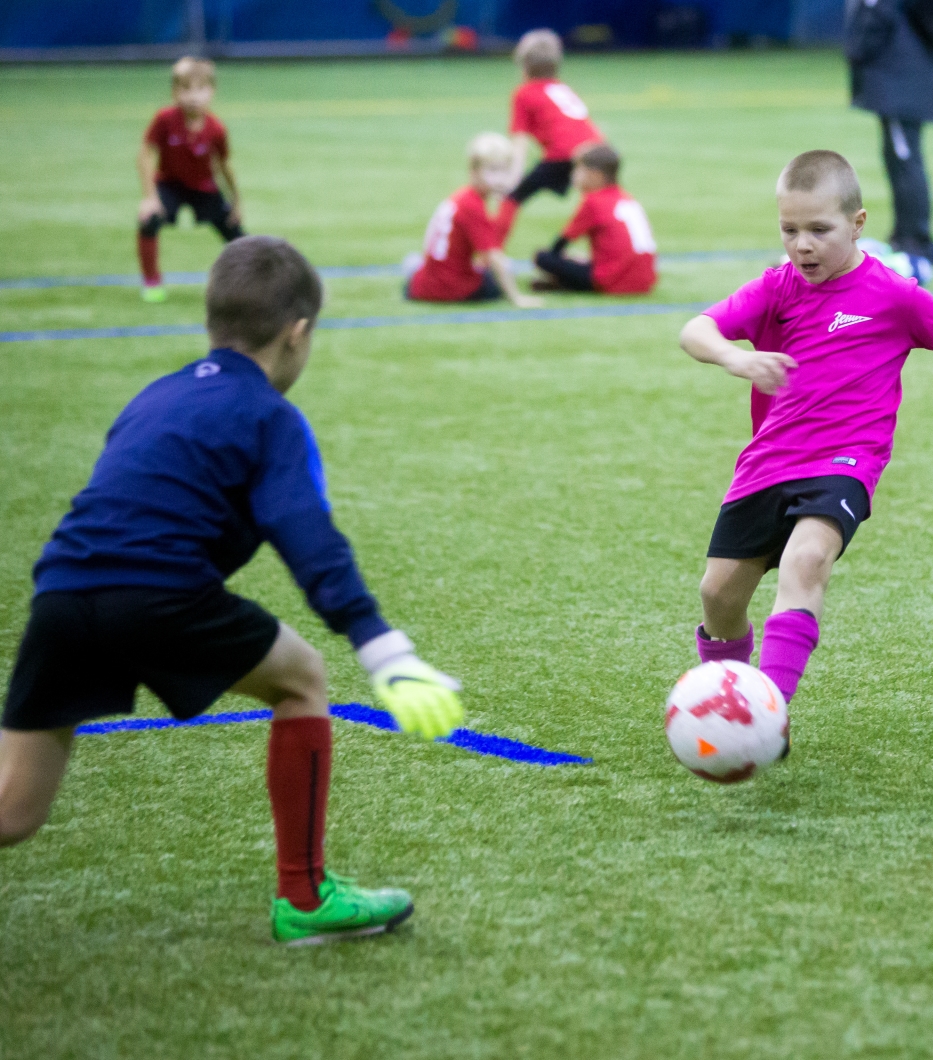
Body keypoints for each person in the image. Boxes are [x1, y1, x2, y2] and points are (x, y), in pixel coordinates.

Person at [0, 237, 467, 943]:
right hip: (158, 593)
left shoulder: (155, 394)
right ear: (298, 332)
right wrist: (382, 648)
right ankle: (305, 900)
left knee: (12, 811)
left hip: (63, 590)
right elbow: (307, 536)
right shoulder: (271, 416)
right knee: (304, 677)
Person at [680, 150, 933, 709]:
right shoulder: (776, 287)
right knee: (718, 594)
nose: (802, 245)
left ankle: (769, 709)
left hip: (845, 461)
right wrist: (736, 359)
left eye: (819, 230)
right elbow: (696, 330)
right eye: (789, 230)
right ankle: (731, 699)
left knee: (806, 561)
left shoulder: (893, 293)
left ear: (858, 224)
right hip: (768, 460)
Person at [845, 0, 933, 272]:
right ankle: (909, 237)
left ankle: (915, 241)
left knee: (905, 162)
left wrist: (856, 51)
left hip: (898, 81)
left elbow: (875, 23)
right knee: (901, 158)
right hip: (907, 78)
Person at [136, 57, 244, 304]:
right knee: (148, 219)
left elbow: (224, 166)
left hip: (203, 188)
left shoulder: (216, 129)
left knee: (239, 237)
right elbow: (145, 154)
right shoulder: (165, 120)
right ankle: (152, 283)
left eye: (200, 89)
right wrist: (150, 198)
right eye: (186, 89)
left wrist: (237, 202)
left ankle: (250, 286)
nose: (193, 97)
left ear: (212, 92)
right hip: (169, 185)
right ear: (175, 92)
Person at [405, 133, 540, 308]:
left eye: (503, 170)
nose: (499, 178)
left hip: (422, 283)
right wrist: (516, 297)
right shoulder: (473, 205)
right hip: (449, 288)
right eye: (492, 170)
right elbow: (493, 257)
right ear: (474, 171)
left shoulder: (462, 197)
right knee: (498, 275)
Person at [532, 144, 657, 294]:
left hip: (613, 280)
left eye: (578, 169)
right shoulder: (626, 198)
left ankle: (562, 283)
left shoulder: (594, 201)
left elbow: (559, 245)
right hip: (645, 280)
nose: (574, 175)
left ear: (595, 175)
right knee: (576, 262)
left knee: (543, 257)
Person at [506, 29, 605, 206]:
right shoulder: (562, 88)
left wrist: (514, 178)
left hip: (563, 154)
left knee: (513, 198)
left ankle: (492, 234)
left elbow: (520, 141)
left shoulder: (524, 93)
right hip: (596, 150)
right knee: (601, 200)